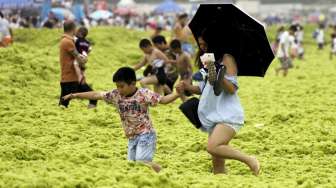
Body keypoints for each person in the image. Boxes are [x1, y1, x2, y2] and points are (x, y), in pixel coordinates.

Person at [62, 67, 181, 172]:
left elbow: (164, 100)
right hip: (131, 136)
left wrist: (177, 94)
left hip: (146, 134)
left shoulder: (144, 94)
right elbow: (96, 95)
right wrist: (75, 95)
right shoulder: (116, 95)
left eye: (122, 86)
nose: (119, 89)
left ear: (133, 83)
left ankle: (164, 175)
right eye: (117, 86)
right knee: (131, 166)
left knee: (142, 162)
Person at [176, 34, 260, 176]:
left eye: (205, 45)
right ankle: (220, 180)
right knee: (218, 165)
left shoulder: (227, 58)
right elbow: (203, 89)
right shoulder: (206, 61)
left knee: (213, 147)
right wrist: (188, 88)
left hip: (227, 114)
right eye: (200, 45)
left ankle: (250, 160)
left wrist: (216, 72)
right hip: (212, 114)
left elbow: (232, 88)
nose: (202, 48)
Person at [58, 20, 97, 108]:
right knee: (93, 97)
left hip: (70, 77)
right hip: (70, 78)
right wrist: (86, 55)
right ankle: (90, 115)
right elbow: (80, 59)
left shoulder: (68, 40)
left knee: (63, 103)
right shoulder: (68, 42)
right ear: (74, 29)